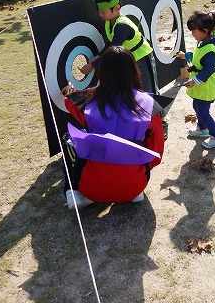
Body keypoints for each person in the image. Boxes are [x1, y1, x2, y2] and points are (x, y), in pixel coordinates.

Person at [61, 46, 165, 209]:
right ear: (133, 70)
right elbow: (156, 151)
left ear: (102, 72)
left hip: (90, 188)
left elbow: (69, 102)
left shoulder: (87, 100)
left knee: (69, 139)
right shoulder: (150, 104)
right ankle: (132, 192)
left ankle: (73, 192)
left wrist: (70, 92)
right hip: (135, 186)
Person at [80, 0, 156, 93]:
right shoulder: (109, 22)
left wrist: (93, 65)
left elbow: (112, 49)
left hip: (142, 58)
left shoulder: (122, 26)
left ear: (116, 8)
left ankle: (157, 111)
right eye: (99, 11)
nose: (100, 15)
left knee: (148, 92)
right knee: (133, 91)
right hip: (129, 60)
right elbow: (110, 42)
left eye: (103, 12)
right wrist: (97, 56)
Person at [176, 10, 215, 149]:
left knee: (203, 112)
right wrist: (185, 56)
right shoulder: (202, 43)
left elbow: (207, 70)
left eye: (194, 31)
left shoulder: (210, 50)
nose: (192, 34)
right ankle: (202, 129)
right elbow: (197, 57)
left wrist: (194, 81)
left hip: (206, 85)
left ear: (204, 30)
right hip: (199, 85)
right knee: (196, 107)